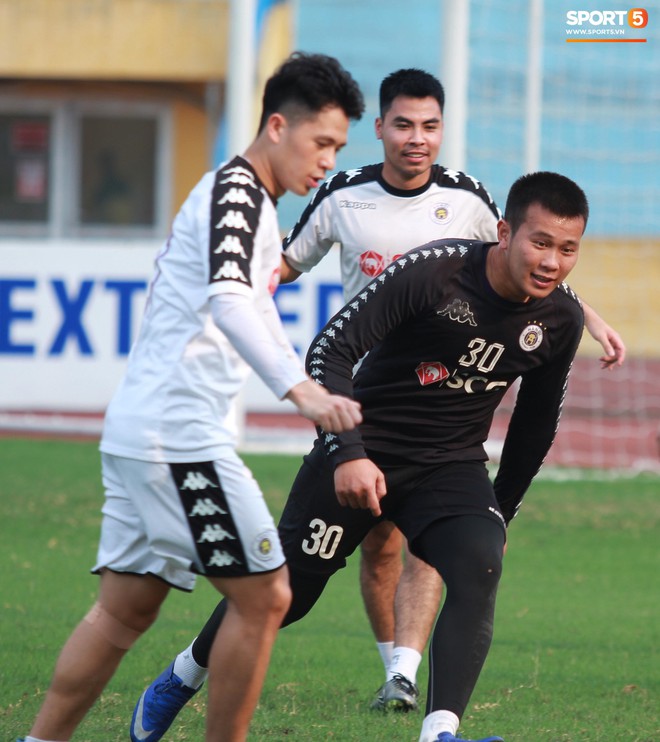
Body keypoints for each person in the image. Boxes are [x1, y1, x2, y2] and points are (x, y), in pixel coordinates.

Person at [130, 69, 626, 733]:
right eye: (541, 242)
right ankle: (184, 673)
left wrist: (499, 511)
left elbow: (536, 423)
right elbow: (327, 354)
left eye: (568, 249)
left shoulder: (558, 319)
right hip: (366, 449)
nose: (552, 261)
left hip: (450, 465)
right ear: (504, 233)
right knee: (287, 597)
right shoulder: (430, 272)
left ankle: (439, 727)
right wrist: (348, 452)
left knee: (479, 565)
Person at [17, 51, 365, 742]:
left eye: (338, 147)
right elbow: (231, 300)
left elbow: (255, 307)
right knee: (267, 595)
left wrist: (308, 382)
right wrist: (298, 390)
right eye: (321, 142)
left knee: (122, 613)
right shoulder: (236, 193)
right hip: (175, 441)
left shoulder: (252, 204)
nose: (328, 160)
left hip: (142, 434)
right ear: (276, 126)